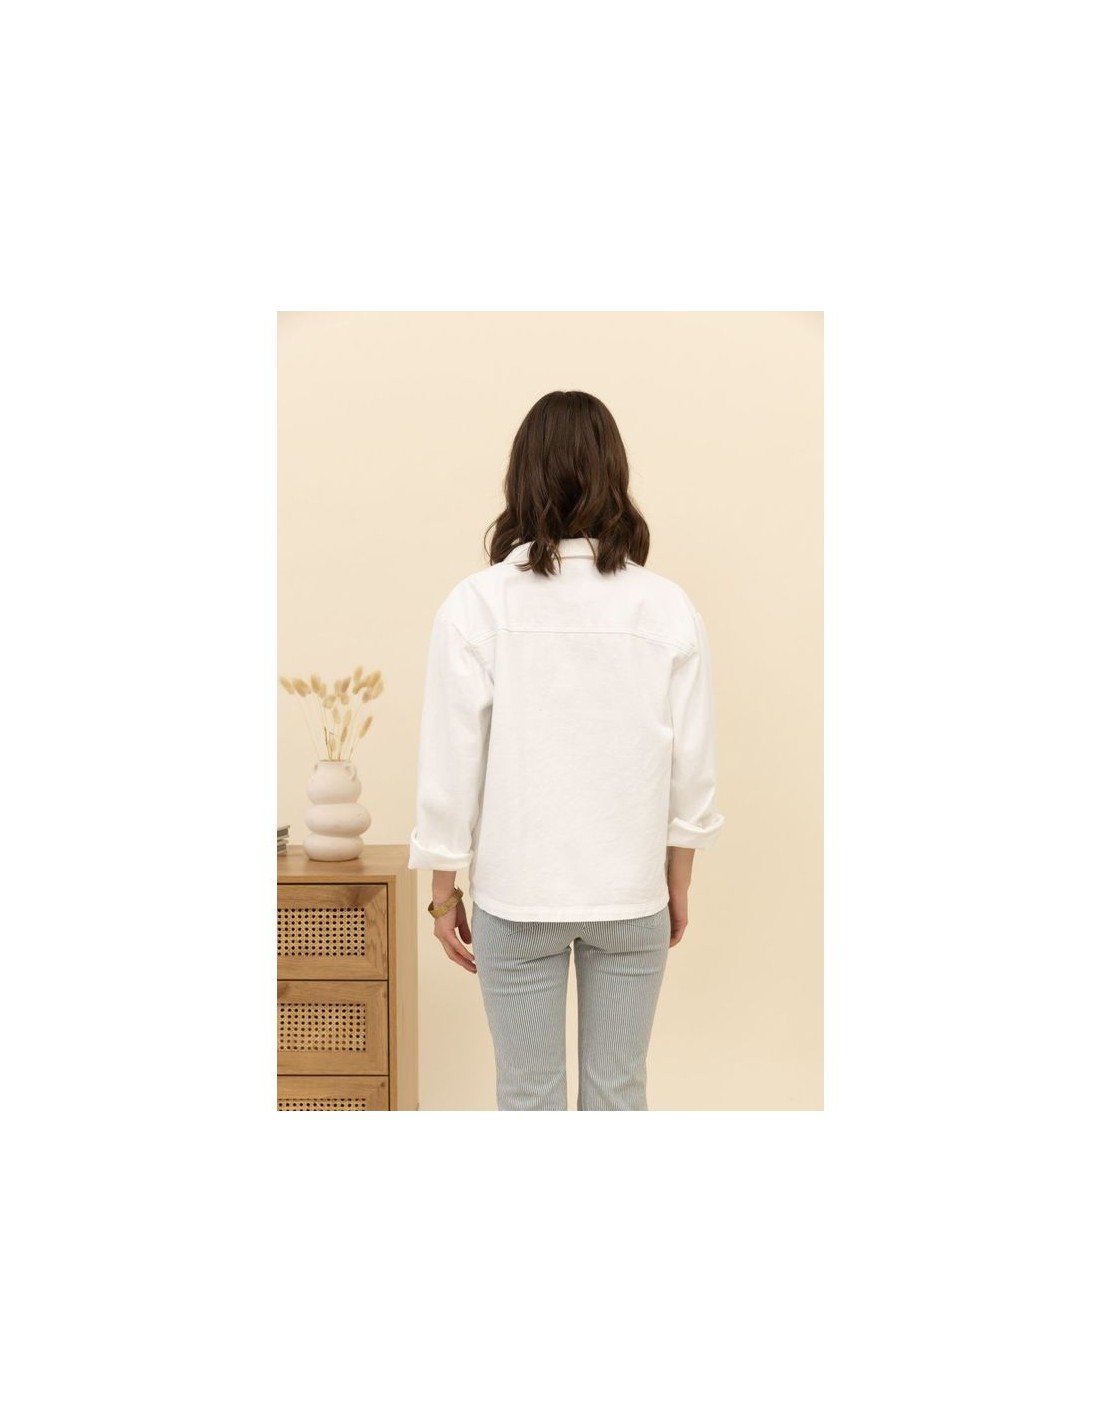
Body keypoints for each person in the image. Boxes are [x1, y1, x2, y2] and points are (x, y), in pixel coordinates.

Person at [408, 390, 725, 1110]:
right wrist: (678, 882)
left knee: (528, 1096)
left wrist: (442, 894)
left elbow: (449, 767)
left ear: (522, 476)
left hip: (516, 897)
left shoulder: (477, 604)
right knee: (619, 1094)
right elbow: (694, 767)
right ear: (616, 475)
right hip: (630, 893)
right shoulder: (666, 606)